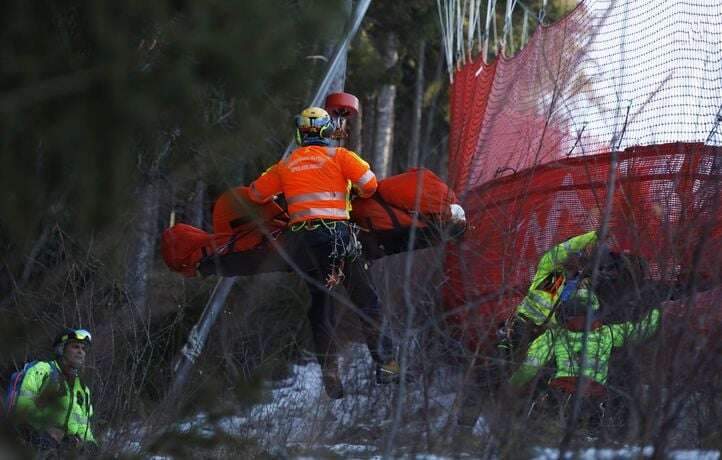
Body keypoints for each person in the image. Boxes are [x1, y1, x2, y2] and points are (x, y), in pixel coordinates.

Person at [248, 106, 398, 399]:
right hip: (339, 236)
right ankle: (388, 366)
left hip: (303, 242)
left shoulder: (285, 164)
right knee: (366, 299)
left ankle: (330, 373)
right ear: (327, 132)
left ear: (300, 133)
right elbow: (370, 185)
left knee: (320, 305)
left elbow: (255, 194)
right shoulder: (341, 156)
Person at [509, 296, 661, 432]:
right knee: (588, 439)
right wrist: (656, 309)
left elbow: (530, 366)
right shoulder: (607, 333)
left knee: (546, 435)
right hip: (593, 395)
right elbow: (641, 332)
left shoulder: (554, 335)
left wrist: (511, 386)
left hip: (559, 394)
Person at [11, 328, 97, 455]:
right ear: (61, 349)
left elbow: (83, 425)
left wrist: (90, 443)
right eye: (75, 347)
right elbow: (23, 406)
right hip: (34, 442)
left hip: (65, 449)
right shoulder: (42, 370)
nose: (81, 352)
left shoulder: (83, 389)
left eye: (83, 349)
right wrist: (44, 430)